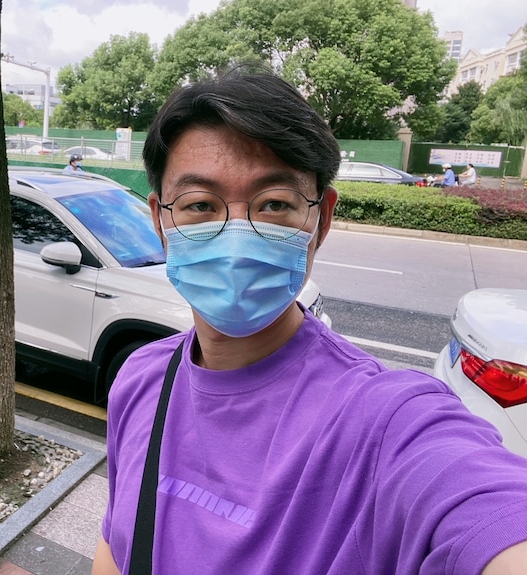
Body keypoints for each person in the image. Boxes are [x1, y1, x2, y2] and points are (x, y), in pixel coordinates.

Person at [93, 67, 527, 575]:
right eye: (200, 205)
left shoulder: (386, 421)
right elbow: (116, 547)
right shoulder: (139, 379)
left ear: (320, 220)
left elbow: (484, 507)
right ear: (160, 221)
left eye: (275, 203)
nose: (236, 236)